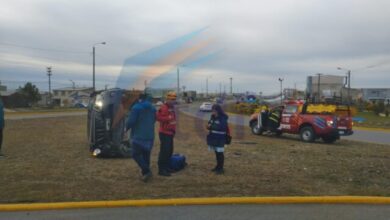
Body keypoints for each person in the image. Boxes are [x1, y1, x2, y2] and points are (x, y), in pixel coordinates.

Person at [126, 93, 156, 182]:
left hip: (139, 135)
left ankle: (146, 171)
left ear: (139, 99)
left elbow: (131, 121)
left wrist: (126, 128)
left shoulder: (136, 108)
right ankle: (145, 174)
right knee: (146, 155)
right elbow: (154, 120)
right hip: (150, 136)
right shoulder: (152, 108)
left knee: (135, 154)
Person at [156, 92, 177, 177]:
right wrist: (168, 118)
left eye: (174, 99)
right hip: (164, 133)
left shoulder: (172, 108)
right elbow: (158, 117)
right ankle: (161, 170)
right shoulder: (163, 107)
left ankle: (167, 167)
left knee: (169, 151)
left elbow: (173, 119)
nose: (173, 101)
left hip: (170, 133)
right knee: (164, 152)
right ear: (167, 99)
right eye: (171, 99)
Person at [207, 104, 229, 175]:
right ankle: (217, 166)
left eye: (214, 110)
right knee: (216, 152)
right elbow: (209, 124)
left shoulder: (223, 117)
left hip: (220, 137)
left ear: (217, 110)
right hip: (213, 137)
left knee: (220, 153)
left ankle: (221, 168)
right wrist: (208, 126)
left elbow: (222, 127)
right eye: (212, 110)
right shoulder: (212, 117)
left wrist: (211, 126)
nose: (212, 111)